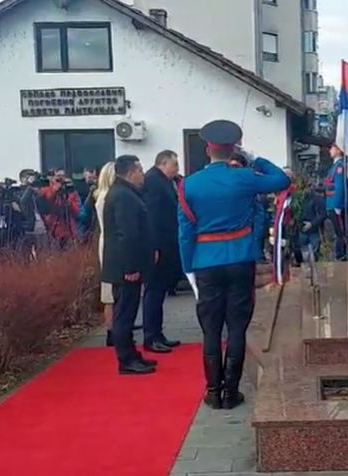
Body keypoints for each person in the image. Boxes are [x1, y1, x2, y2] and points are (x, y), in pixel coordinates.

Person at [178, 120, 290, 409]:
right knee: (237, 326)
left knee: (211, 329)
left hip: (205, 261)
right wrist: (255, 159)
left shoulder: (188, 184)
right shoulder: (244, 177)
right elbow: (281, 180)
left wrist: (188, 268)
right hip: (240, 258)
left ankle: (213, 391)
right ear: (232, 150)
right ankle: (231, 392)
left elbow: (185, 231)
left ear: (207, 150)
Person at [102, 155, 157, 375]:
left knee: (129, 311)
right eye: (140, 171)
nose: (143, 175)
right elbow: (127, 234)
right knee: (124, 314)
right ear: (131, 172)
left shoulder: (127, 193)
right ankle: (126, 359)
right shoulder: (123, 196)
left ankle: (131, 354)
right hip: (125, 267)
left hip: (128, 265)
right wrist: (131, 267)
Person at [142, 150, 183, 353]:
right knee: (154, 291)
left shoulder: (164, 181)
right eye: (174, 164)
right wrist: (154, 246)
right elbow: (152, 217)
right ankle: (151, 336)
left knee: (159, 292)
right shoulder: (153, 182)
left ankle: (158, 334)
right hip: (158, 245)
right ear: (163, 163)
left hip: (167, 244)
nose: (177, 168)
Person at [94, 162, 116, 346]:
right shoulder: (106, 198)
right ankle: (111, 330)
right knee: (109, 292)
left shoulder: (103, 196)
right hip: (111, 245)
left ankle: (114, 327)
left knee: (111, 290)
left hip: (108, 242)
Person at [41, 169, 80, 249]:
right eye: (58, 176)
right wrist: (54, 191)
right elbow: (47, 203)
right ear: (53, 177)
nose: (60, 179)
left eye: (62, 176)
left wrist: (69, 203)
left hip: (69, 230)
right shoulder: (46, 189)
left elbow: (77, 212)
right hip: (54, 229)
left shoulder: (70, 190)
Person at [18, 169, 51, 259]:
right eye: (29, 176)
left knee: (44, 254)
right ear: (23, 179)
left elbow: (46, 209)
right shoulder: (19, 192)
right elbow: (23, 203)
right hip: (28, 228)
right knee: (28, 256)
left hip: (42, 227)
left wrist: (40, 194)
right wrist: (30, 188)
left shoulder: (38, 191)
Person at [324, 144, 348, 260]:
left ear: (339, 150)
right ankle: (340, 255)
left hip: (336, 204)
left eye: (332, 148)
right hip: (331, 203)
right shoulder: (334, 166)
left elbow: (339, 186)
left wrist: (338, 205)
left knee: (341, 233)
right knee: (337, 232)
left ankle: (342, 255)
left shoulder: (340, 166)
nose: (330, 150)